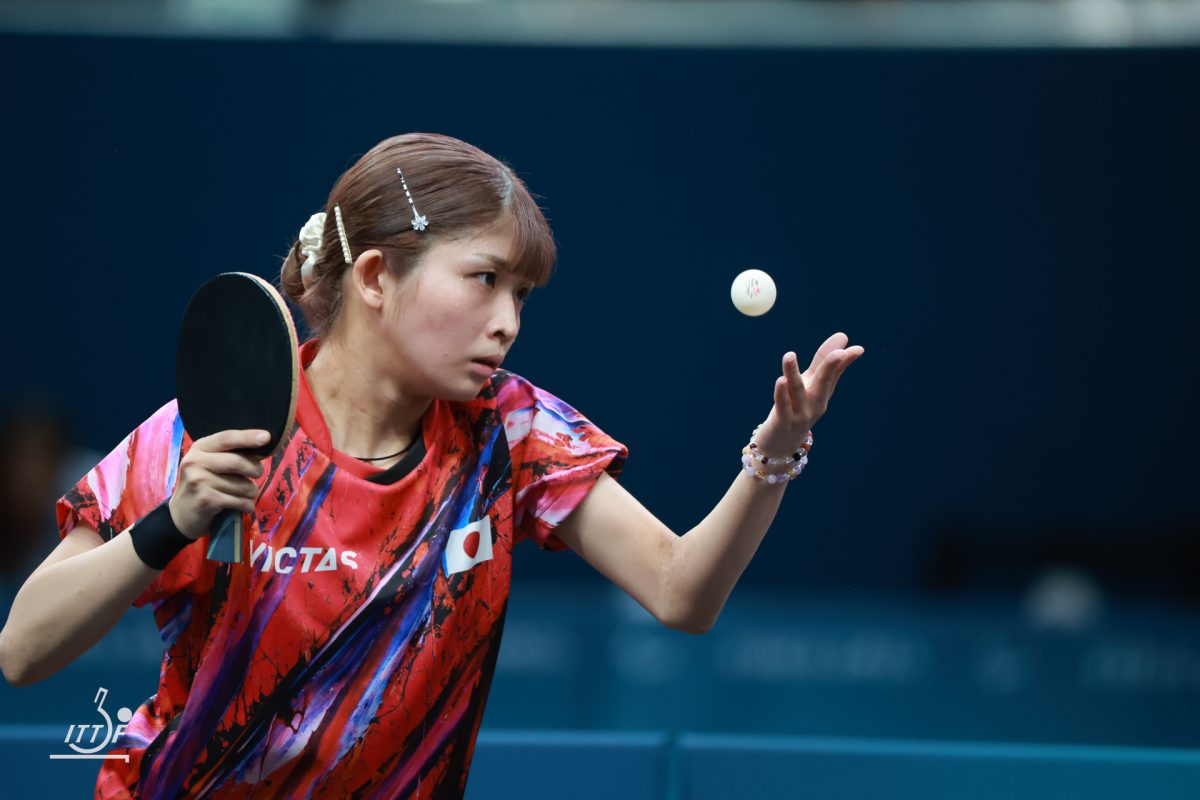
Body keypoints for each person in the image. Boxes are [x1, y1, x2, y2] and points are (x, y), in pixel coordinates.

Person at [0, 132, 863, 798]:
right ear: (375, 276)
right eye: (484, 279)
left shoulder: (507, 432)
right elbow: (23, 651)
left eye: (520, 295)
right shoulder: (220, 429)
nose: (507, 321)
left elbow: (682, 594)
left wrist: (774, 455)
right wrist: (171, 524)